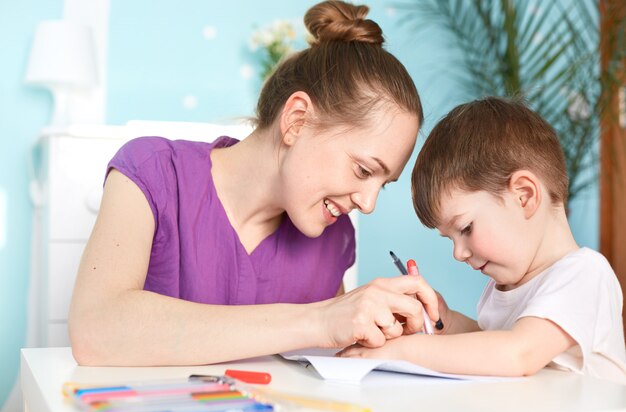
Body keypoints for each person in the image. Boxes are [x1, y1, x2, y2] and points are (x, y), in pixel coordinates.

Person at [68, 0, 441, 366]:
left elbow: (327, 361)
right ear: (297, 120)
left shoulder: (333, 238)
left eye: (383, 183)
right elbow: (95, 330)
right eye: (362, 170)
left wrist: (372, 331)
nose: (368, 202)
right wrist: (320, 319)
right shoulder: (152, 172)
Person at [339, 96, 626, 384]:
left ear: (523, 195)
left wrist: (401, 351)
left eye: (465, 229)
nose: (458, 253)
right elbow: (491, 344)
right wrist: (447, 321)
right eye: (449, 238)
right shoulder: (503, 287)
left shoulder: (584, 274)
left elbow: (518, 354)